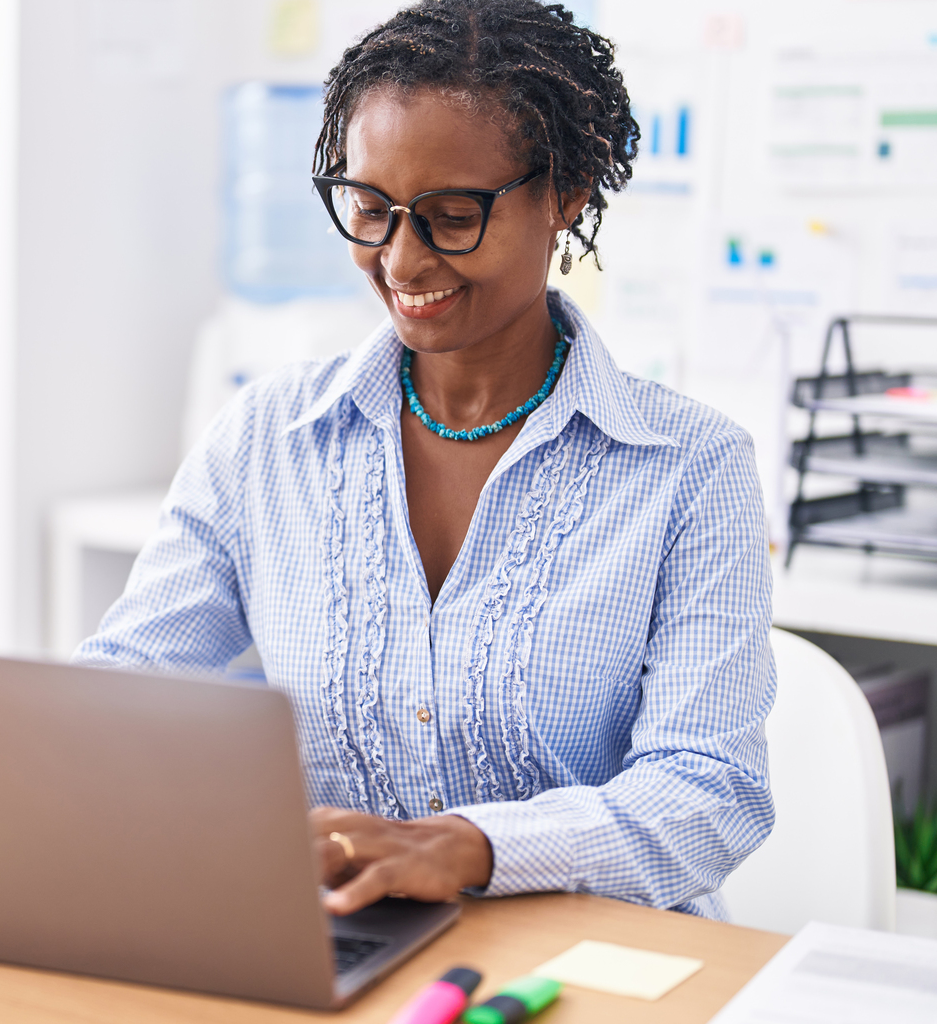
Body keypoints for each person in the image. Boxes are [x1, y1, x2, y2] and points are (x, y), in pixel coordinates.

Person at [75, 0, 774, 921]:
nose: (402, 258)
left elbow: (711, 792)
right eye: (369, 209)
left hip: (593, 961)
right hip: (337, 937)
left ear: (565, 193)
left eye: (452, 216)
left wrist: (474, 850)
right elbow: (128, 685)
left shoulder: (690, 468)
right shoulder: (266, 439)